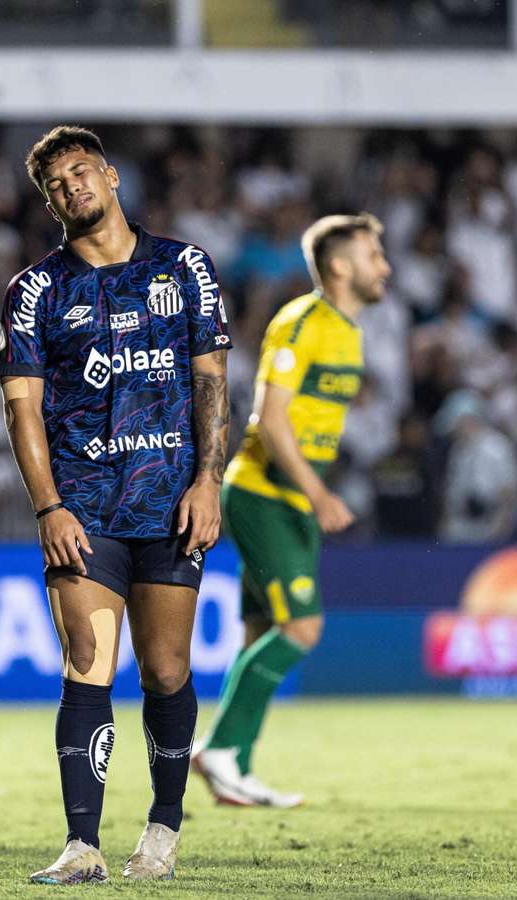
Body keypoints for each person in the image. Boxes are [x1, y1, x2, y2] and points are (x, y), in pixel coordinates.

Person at [0, 126, 231, 883]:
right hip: (85, 508)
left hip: (170, 501)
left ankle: (164, 825)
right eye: (55, 184)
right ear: (48, 202)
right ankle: (82, 845)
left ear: (112, 175)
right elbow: (22, 411)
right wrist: (49, 507)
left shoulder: (183, 266)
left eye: (80, 173)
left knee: (165, 670)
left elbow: (211, 382)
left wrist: (209, 480)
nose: (72, 189)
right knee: (86, 663)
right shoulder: (36, 291)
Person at [192, 213, 390, 807]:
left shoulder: (350, 332)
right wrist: (320, 493)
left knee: (261, 631)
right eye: (373, 255)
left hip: (292, 499)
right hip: (264, 493)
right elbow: (269, 419)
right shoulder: (301, 322)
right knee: (303, 627)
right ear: (339, 265)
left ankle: (237, 769)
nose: (384, 266)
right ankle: (218, 748)